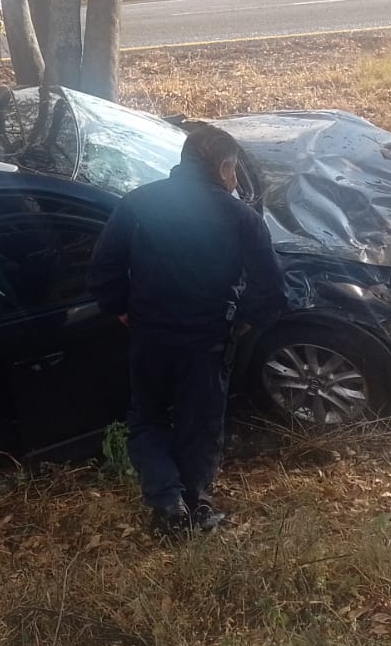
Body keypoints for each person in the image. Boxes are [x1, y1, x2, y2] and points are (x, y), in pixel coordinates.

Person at [87, 124, 287, 537]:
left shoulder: (139, 202)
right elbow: (271, 286)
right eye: (233, 172)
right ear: (224, 166)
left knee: (147, 419)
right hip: (208, 342)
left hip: (149, 338)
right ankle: (195, 504)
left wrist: (120, 308)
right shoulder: (240, 216)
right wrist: (245, 319)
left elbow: (103, 267)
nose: (235, 182)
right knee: (200, 424)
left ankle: (166, 503)